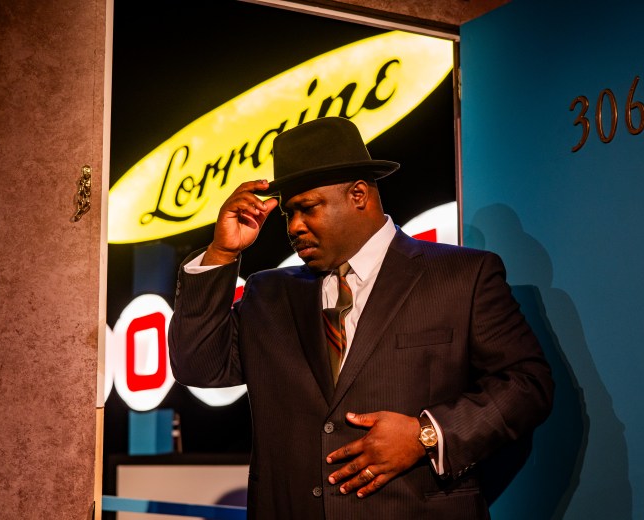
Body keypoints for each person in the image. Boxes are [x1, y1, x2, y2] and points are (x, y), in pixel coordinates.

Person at [169, 117, 553, 520]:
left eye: (307, 208)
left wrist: (426, 434)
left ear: (358, 195)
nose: (294, 227)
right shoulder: (269, 293)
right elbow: (198, 365)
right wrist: (222, 253)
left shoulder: (461, 276)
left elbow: (527, 385)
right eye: (287, 214)